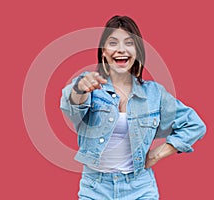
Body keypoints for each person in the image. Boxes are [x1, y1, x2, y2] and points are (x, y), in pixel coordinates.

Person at [60, 15, 206, 200]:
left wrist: (157, 154)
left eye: (129, 43)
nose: (121, 49)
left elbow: (194, 125)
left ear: (137, 51)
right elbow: (71, 107)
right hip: (95, 187)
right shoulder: (89, 85)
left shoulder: (154, 94)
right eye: (113, 43)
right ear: (103, 51)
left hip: (139, 187)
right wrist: (79, 89)